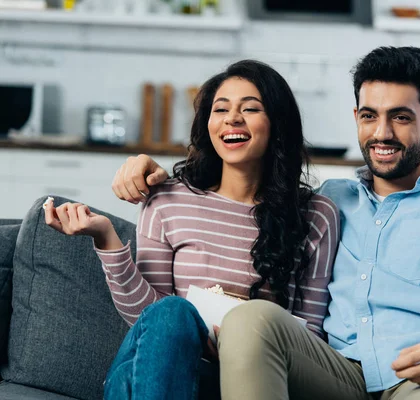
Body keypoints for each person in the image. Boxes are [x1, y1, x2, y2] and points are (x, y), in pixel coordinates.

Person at [113, 47, 420, 400]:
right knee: (250, 318)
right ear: (356, 118)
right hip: (338, 374)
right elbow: (238, 192)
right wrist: (155, 174)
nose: (381, 133)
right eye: (369, 116)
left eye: (401, 118)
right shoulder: (329, 201)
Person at [44, 60, 339, 400]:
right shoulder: (169, 199)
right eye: (221, 109)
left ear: (277, 123)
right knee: (173, 312)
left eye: (251, 108)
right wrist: (106, 238)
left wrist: (248, 344)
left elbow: (311, 336)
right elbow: (150, 319)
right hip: (155, 371)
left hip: (248, 379)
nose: (232, 118)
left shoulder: (316, 215)